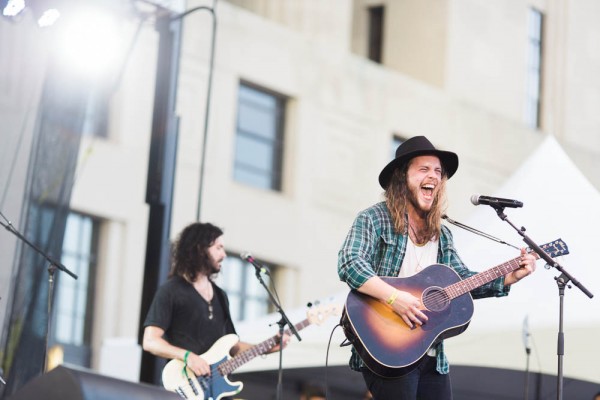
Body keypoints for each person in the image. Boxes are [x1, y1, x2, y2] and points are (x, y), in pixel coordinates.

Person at [337, 136, 537, 400]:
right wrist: (395, 298)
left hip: (432, 355)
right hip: (389, 349)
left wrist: (509, 276)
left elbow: (461, 281)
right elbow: (350, 263)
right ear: (402, 178)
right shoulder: (374, 219)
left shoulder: (442, 234)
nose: (433, 176)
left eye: (438, 172)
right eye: (424, 169)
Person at [143, 222, 288, 392]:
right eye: (218, 248)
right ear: (200, 249)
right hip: (184, 386)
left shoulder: (220, 296)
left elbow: (234, 347)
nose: (224, 255)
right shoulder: (172, 290)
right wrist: (187, 356)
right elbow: (150, 341)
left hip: (214, 390)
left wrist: (268, 346)